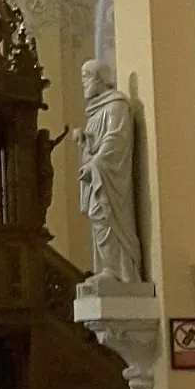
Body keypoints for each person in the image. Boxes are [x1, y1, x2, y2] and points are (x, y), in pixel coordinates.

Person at [75, 60, 143, 283]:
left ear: (98, 78)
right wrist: (84, 142)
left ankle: (119, 271)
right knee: (98, 218)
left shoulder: (117, 105)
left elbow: (116, 139)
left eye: (86, 77)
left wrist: (94, 164)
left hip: (110, 177)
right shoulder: (95, 112)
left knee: (108, 216)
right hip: (98, 176)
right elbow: (97, 144)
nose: (83, 83)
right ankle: (109, 268)